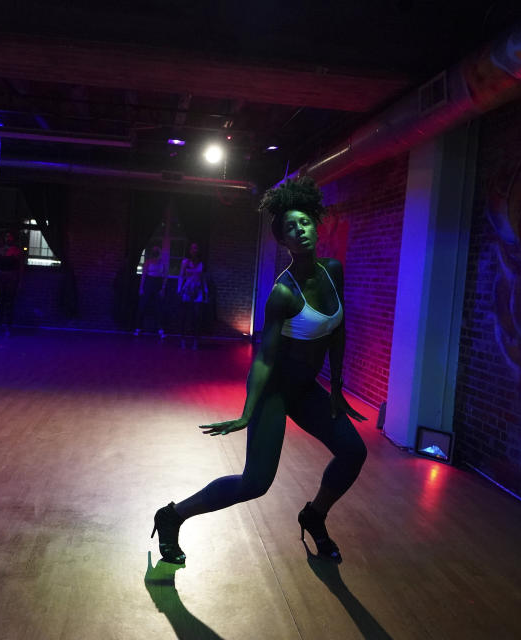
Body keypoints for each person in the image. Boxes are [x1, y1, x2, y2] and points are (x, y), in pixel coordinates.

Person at [152, 177, 368, 565]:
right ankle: (172, 516)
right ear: (282, 241)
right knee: (255, 484)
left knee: (353, 451)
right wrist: (248, 413)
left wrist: (336, 385)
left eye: (304, 222)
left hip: (307, 390)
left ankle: (314, 514)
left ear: (316, 225)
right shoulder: (283, 293)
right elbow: (265, 358)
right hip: (276, 391)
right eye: (289, 228)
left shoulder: (333, 271)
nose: (299, 230)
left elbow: (339, 329)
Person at [0, 231, 24, 336]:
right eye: (6, 236)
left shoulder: (17, 251)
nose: (7, 238)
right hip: (0, 278)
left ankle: (8, 327)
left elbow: (20, 268)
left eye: (9, 237)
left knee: (9, 303)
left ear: (13, 238)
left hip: (11, 278)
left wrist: (19, 281)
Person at [177, 242, 207, 349]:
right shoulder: (185, 262)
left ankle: (195, 341)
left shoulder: (201, 263)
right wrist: (179, 289)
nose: (194, 250)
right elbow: (181, 276)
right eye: (192, 248)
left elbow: (203, 279)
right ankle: (183, 339)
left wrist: (205, 292)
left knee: (197, 317)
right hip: (187, 290)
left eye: (196, 248)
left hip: (198, 291)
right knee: (185, 316)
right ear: (190, 250)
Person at [134, 245, 168, 337]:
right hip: (149, 282)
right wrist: (141, 288)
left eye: (157, 250)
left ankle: (160, 329)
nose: (155, 251)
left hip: (158, 283)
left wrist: (163, 288)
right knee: (142, 305)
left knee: (159, 307)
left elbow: (165, 276)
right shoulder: (147, 262)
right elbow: (144, 275)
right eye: (154, 250)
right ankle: (138, 327)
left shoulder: (162, 263)